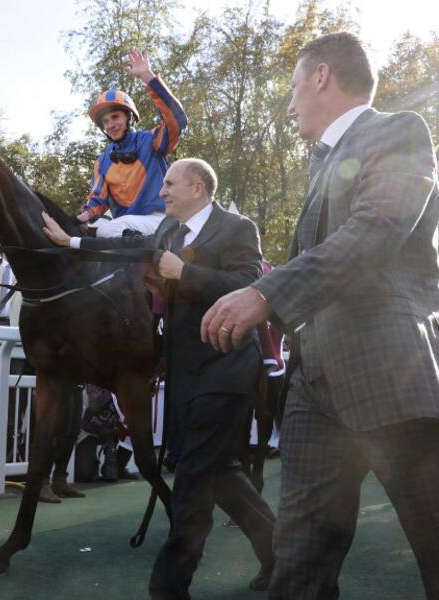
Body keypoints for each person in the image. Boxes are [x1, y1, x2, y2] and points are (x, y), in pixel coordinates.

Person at [201, 32, 439, 599]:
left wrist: (265, 293)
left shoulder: (398, 131)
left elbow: (373, 234)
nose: (289, 104)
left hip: (387, 373)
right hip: (314, 386)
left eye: (292, 87)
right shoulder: (321, 163)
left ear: (322, 77)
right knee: (298, 561)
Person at [43, 158, 276, 597]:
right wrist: (72, 240)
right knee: (219, 469)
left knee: (192, 472)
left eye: (170, 184)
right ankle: (280, 555)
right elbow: (130, 250)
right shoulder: (168, 231)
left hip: (227, 365)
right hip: (183, 369)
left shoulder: (238, 227)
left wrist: (186, 272)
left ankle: (169, 585)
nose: (162, 191)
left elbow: (249, 284)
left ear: (199, 187)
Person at [79, 48, 187, 238]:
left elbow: (177, 120)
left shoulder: (152, 140)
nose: (110, 125)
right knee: (94, 233)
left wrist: (147, 76)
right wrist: (82, 217)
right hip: (126, 229)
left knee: (107, 229)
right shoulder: (102, 161)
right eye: (105, 121)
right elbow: (98, 200)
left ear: (130, 118)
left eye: (115, 117)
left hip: (161, 220)